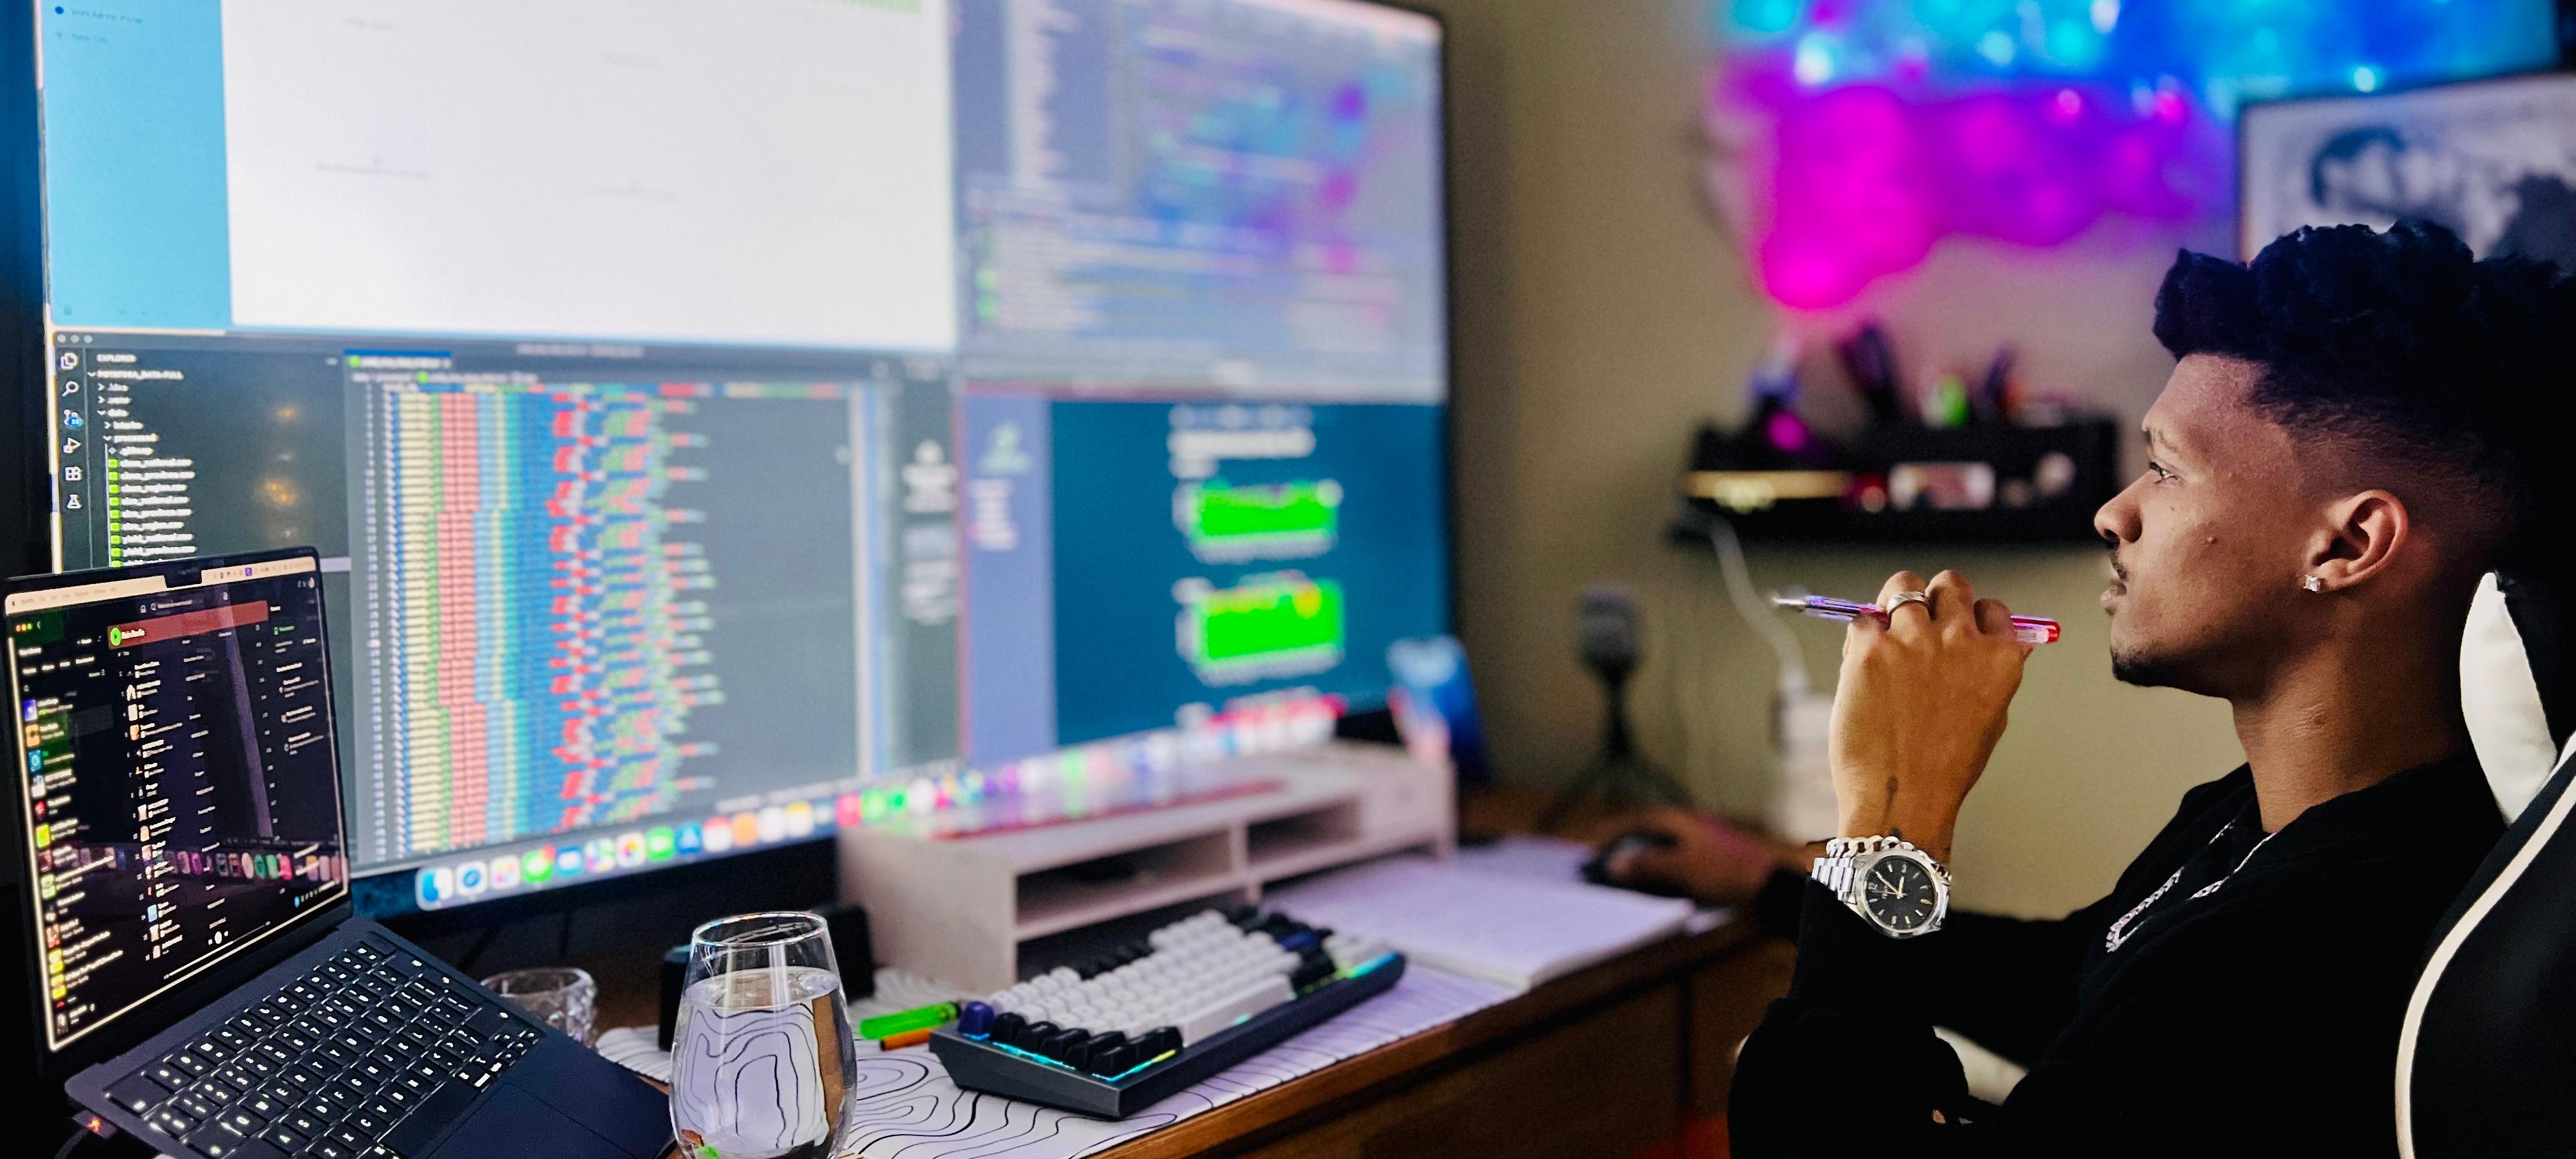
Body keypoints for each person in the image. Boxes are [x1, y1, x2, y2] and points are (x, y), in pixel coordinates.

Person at [1606, 222, 2574, 1155]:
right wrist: (1772, 882)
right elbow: (2073, 972)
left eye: (2165, 469)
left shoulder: (2312, 963)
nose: (2116, 511)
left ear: (2349, 543)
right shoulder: (2283, 821)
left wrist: (1895, 810)